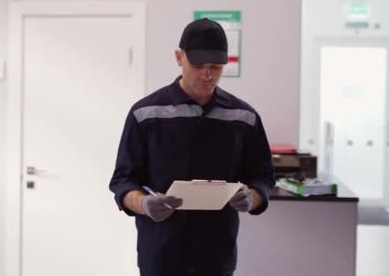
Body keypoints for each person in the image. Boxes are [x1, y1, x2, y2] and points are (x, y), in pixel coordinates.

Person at [109, 18, 275, 276]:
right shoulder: (145, 114)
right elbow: (123, 180)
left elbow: (262, 177)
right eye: (198, 65)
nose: (207, 75)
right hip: (160, 253)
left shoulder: (244, 117)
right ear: (179, 57)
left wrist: (251, 198)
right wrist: (144, 204)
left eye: (216, 67)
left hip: (216, 256)